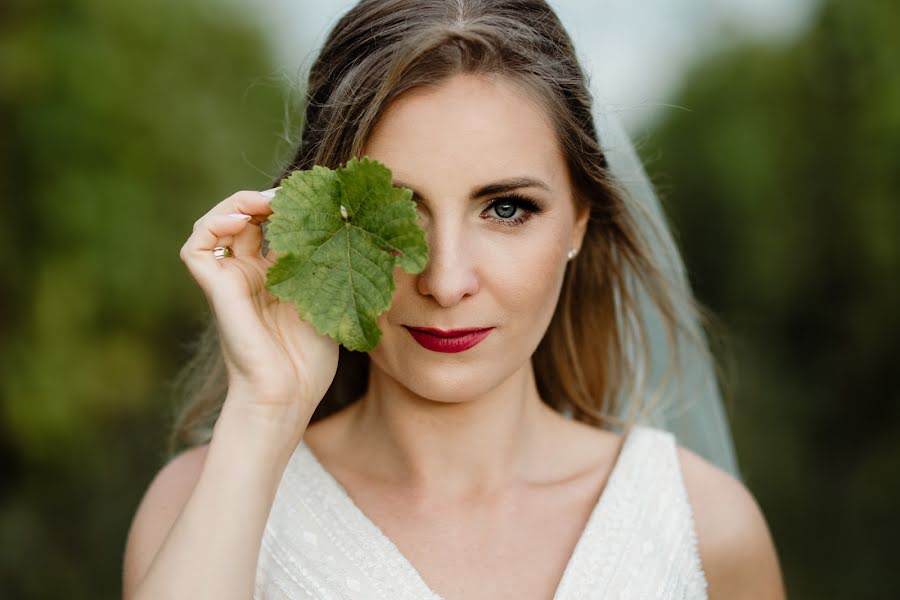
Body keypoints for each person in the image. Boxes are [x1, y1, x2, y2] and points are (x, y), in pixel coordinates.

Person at [122, 1, 785, 598]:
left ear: (580, 219)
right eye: (395, 211)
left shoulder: (710, 530)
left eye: (505, 208)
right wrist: (264, 413)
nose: (445, 279)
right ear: (322, 224)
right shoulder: (198, 505)